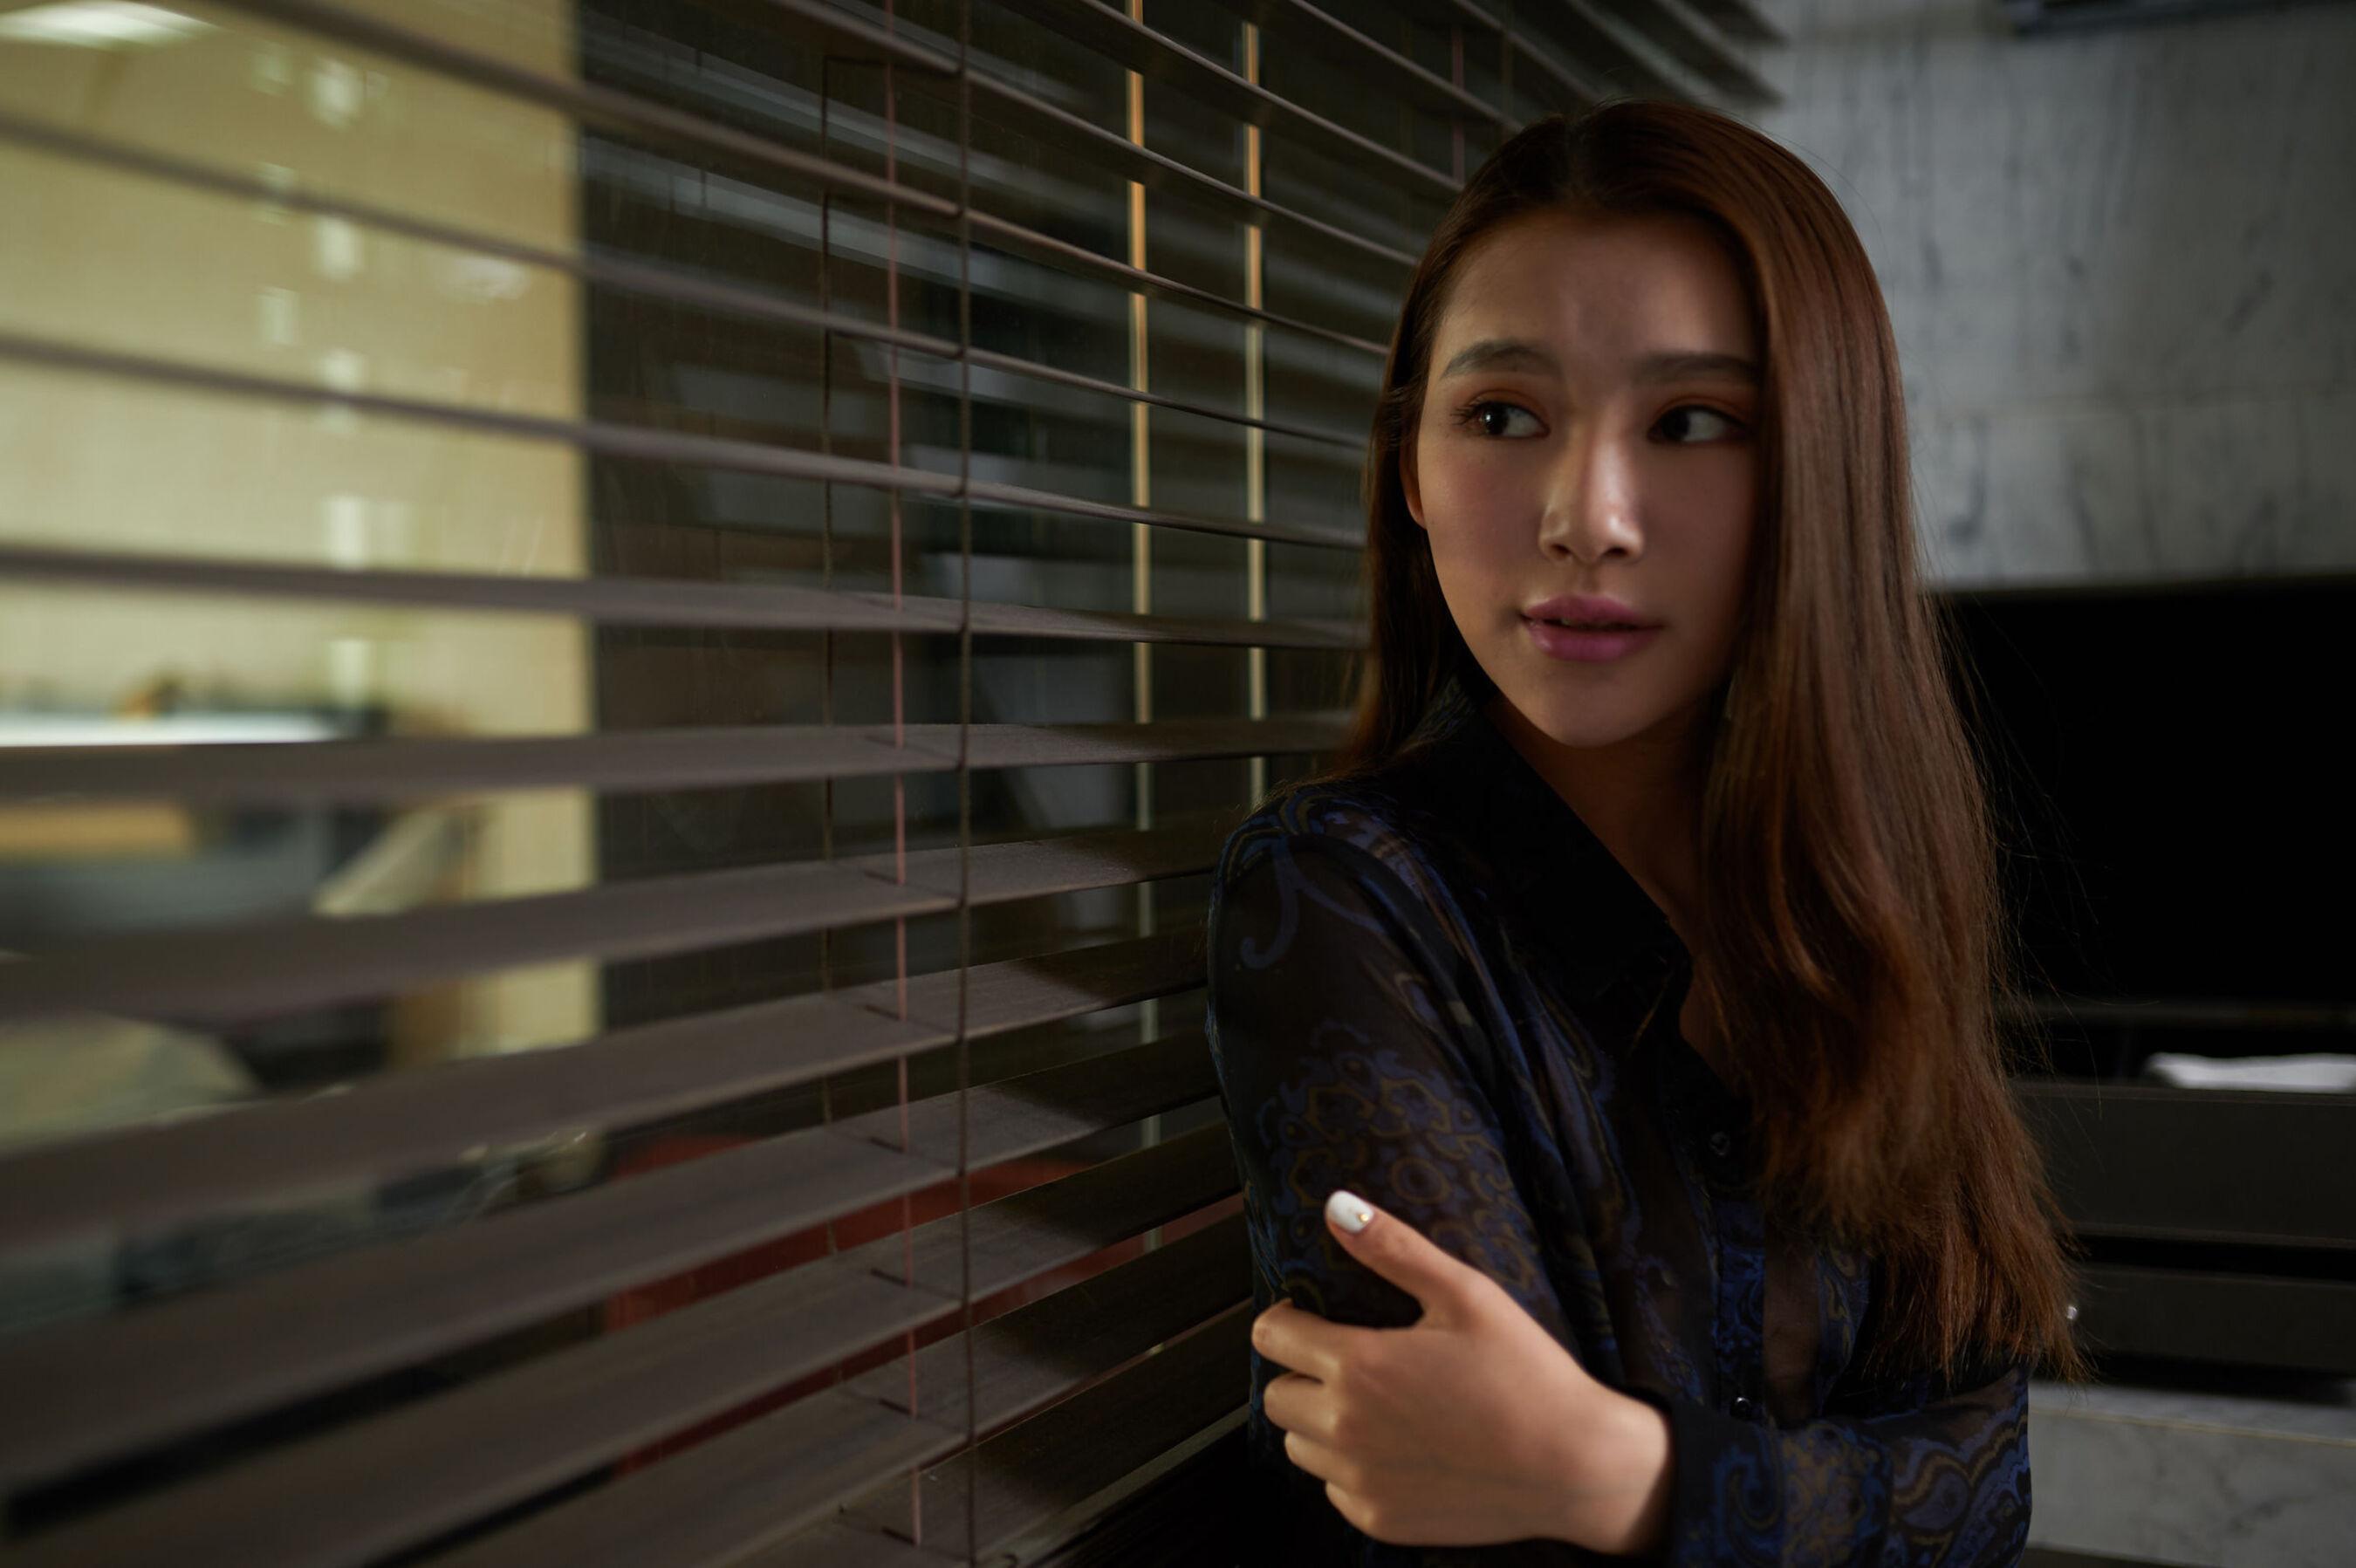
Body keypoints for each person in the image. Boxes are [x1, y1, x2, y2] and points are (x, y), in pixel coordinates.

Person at [1202, 100, 2091, 1566]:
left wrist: (1620, 1476)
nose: (1587, 517)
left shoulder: (1848, 888)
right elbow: (1475, 1513)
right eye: (1503, 415)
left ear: (1816, 473)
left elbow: (1988, 1476)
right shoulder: (1337, 897)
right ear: (1411, 466)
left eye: (1690, 422)